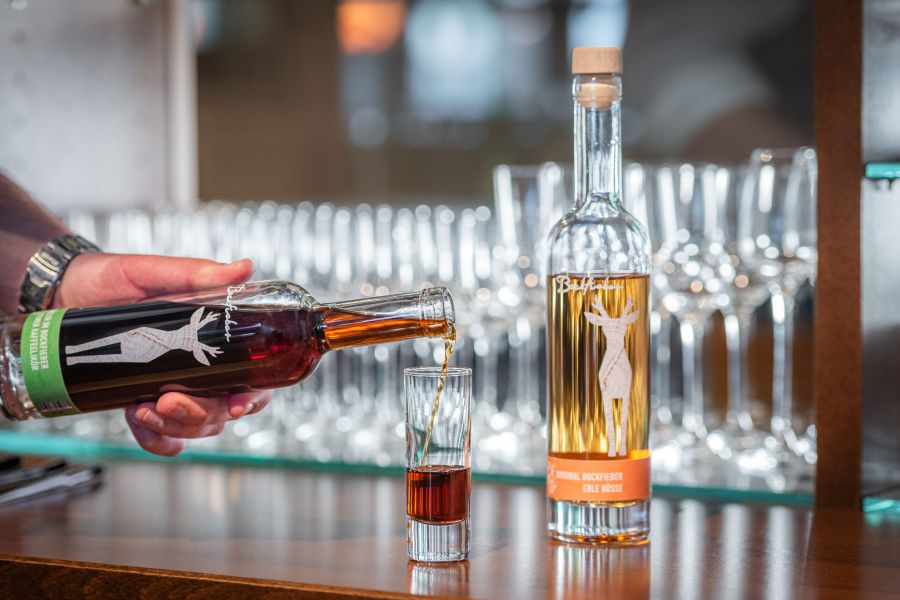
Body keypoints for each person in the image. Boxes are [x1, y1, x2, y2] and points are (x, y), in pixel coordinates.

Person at [0, 172, 271, 457]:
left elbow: (199, 338)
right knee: (96, 353)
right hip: (147, 342)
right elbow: (198, 333)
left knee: (96, 355)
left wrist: (66, 278)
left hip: (147, 348)